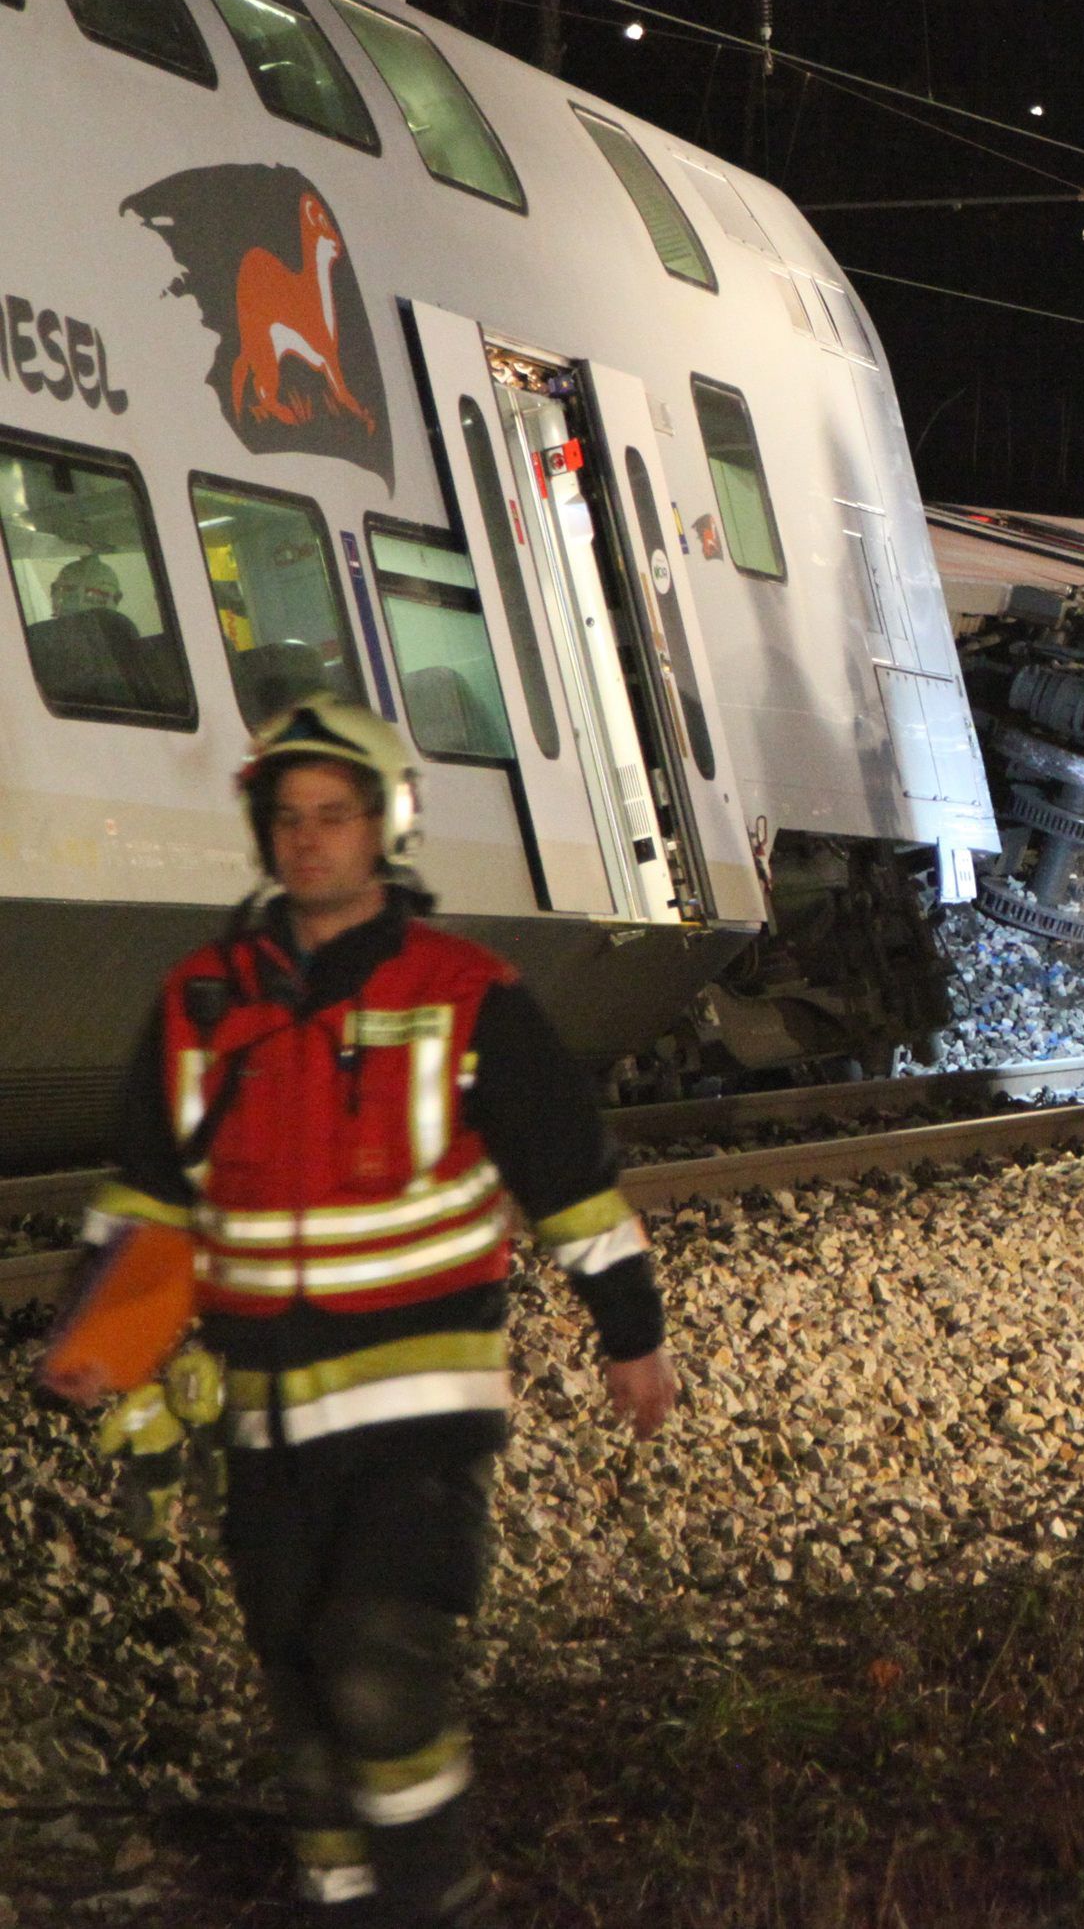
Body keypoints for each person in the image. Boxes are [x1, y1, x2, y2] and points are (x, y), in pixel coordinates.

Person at [54, 700, 675, 1925]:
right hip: (264, 1411)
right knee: (298, 1685)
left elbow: (569, 1176)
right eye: (286, 817)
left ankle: (436, 1897)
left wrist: (632, 1331)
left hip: (416, 1415)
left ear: (386, 824)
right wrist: (107, 1355)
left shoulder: (465, 993)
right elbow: (145, 1192)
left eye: (335, 814)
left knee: (379, 1665)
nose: (307, 839)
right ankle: (341, 1900)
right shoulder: (202, 999)